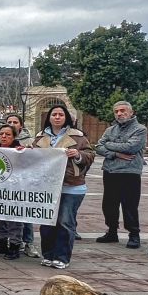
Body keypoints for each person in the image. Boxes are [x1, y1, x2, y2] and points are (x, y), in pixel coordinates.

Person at [32, 105, 94, 270]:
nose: (57, 117)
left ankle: (62, 257)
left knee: (65, 223)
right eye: (54, 114)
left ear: (66, 117)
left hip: (71, 186)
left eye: (61, 114)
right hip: (47, 187)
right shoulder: (40, 137)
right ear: (49, 117)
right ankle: (48, 254)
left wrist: (78, 155)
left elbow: (90, 155)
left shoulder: (78, 136)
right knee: (47, 222)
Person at [95, 101, 147, 249]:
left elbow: (131, 147)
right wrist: (115, 154)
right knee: (109, 204)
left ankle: (134, 234)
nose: (119, 114)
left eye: (123, 110)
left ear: (131, 112)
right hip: (110, 171)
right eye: (116, 111)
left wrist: (109, 144)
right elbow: (98, 147)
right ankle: (112, 231)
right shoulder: (110, 129)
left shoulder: (140, 129)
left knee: (129, 204)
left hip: (129, 172)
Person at [0, 125, 25, 260]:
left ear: (14, 137)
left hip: (15, 190)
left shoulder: (21, 150)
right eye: (1, 134)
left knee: (14, 218)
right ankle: (2, 242)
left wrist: (26, 151)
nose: (3, 136)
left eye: (8, 134)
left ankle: (14, 245)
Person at [5, 114, 39, 258]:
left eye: (15, 122)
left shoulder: (30, 141)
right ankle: (13, 241)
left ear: (21, 125)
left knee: (25, 214)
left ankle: (28, 242)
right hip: (7, 183)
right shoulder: (1, 139)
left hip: (24, 183)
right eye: (9, 122)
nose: (12, 124)